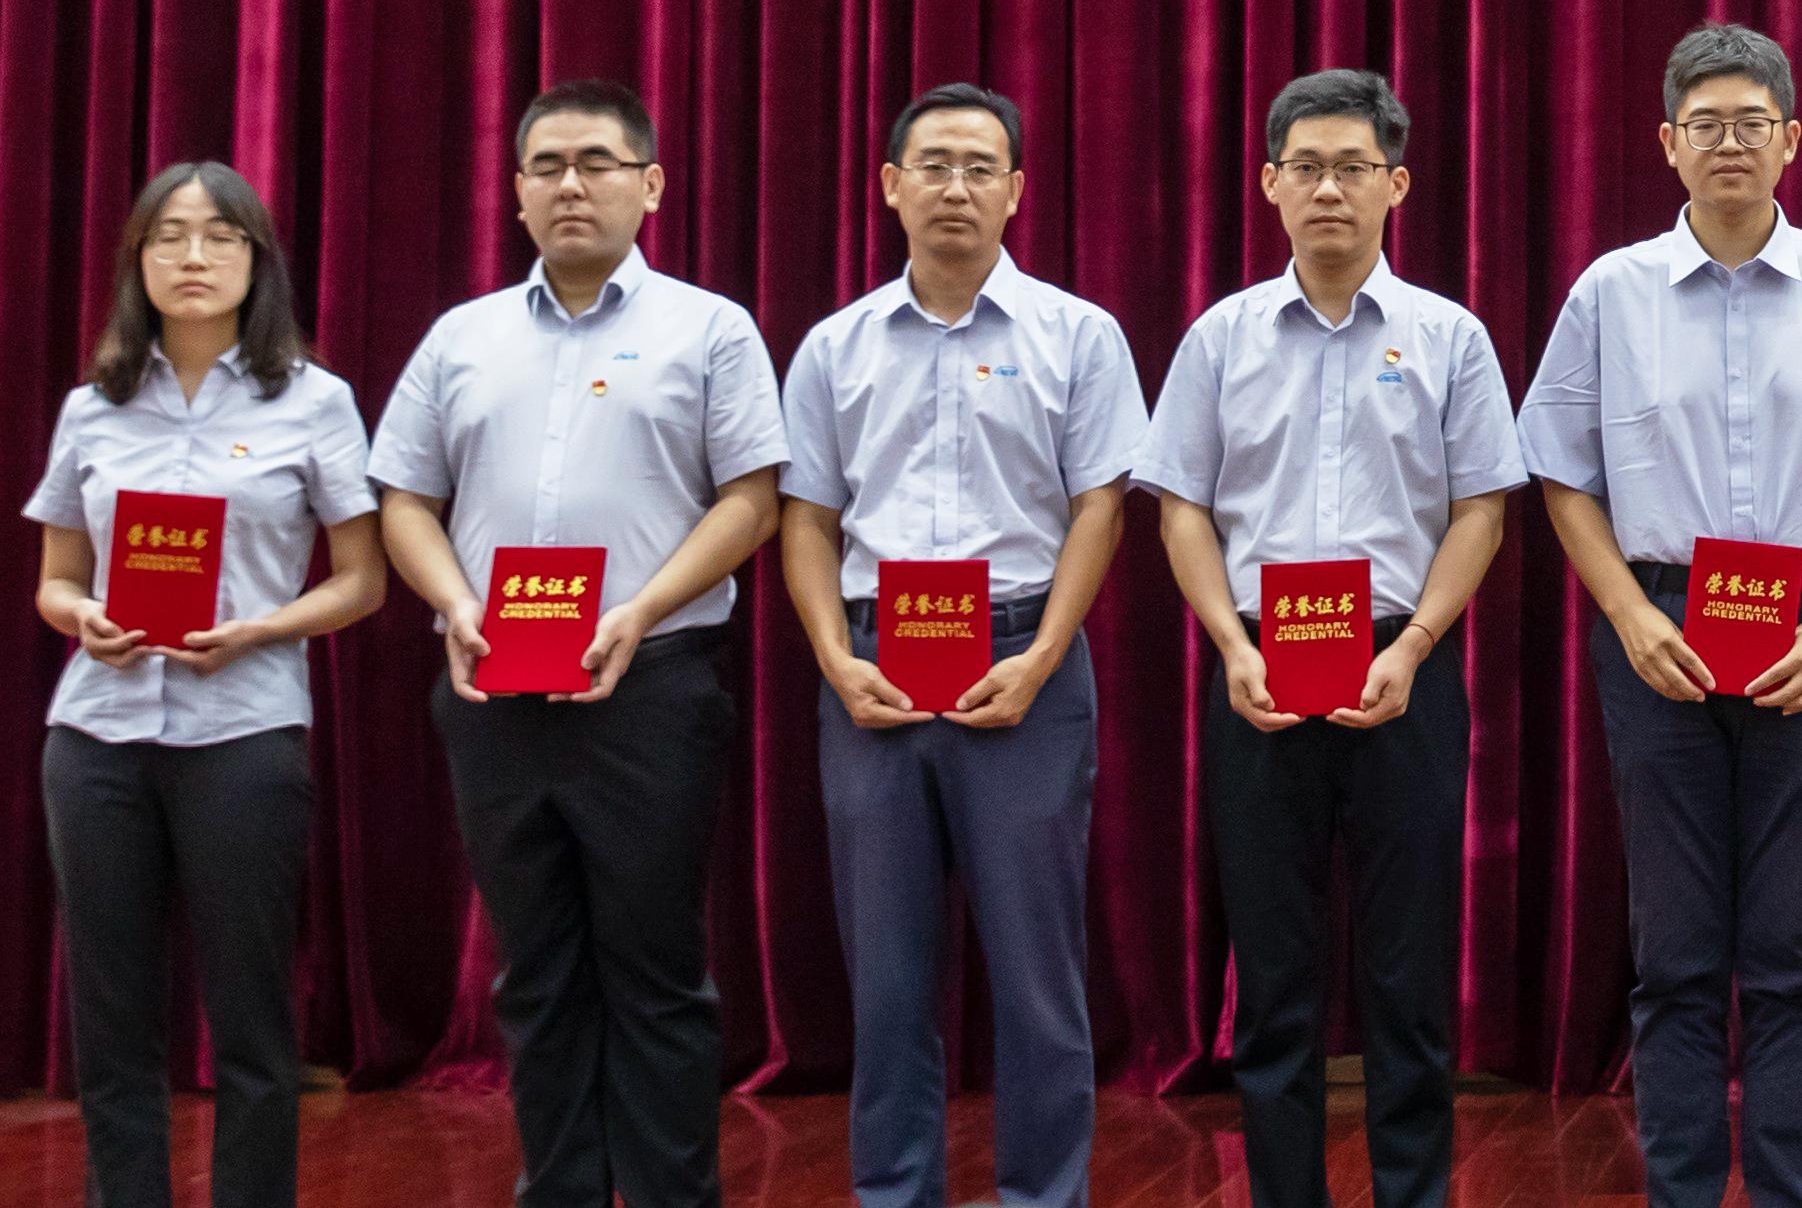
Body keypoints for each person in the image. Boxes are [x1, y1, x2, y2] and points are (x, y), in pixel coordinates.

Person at [1519, 22, 1802, 1208]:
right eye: (1702, 124)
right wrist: (1624, 612)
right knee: (1674, 952)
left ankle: (1792, 1191)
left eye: (1750, 122)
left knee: (1791, 950)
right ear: (1666, 142)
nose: (1727, 143)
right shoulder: (1610, 292)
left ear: (1790, 138)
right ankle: (1682, 1188)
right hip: (1656, 633)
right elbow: (1560, 473)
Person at [372, 79, 786, 1208]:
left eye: (597, 162)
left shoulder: (709, 327)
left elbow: (751, 499)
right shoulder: (462, 337)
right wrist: (454, 601)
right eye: (546, 165)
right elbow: (403, 497)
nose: (571, 184)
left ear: (650, 185)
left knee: (655, 973)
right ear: (515, 192)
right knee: (537, 975)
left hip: (649, 688)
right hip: (492, 689)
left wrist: (638, 610)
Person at [1138, 66, 1517, 1208]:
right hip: (1256, 665)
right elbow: (1181, 506)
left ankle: (1414, 1193)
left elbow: (1481, 509)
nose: (1329, 189)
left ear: (1396, 183)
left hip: (1404, 665)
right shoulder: (1220, 337)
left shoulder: (1449, 336)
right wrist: (1228, 643)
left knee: (1407, 976)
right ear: (1269, 183)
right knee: (1274, 977)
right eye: (1305, 166)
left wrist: (1415, 645)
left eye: (1353, 166)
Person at [775, 84, 1144, 1208]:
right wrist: (835, 659)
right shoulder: (835, 346)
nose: (956, 186)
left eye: (981, 166)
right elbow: (807, 519)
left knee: (1037, 976)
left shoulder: (1078, 334)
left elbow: (1099, 506)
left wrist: (1043, 656)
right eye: (932, 164)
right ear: (890, 184)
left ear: (1017, 190)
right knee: (886, 982)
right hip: (873, 669)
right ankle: (894, 1191)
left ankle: (1044, 1194)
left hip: (1025, 660)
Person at [28, 162, 385, 1208]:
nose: (193, 256)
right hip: (96, 738)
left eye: (220, 236)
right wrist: (82, 617)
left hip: (244, 732)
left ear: (256, 259)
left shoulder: (315, 399)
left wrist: (261, 627)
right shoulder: (93, 405)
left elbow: (362, 580)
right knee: (111, 1020)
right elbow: (55, 579)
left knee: (250, 1021)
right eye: (169, 236)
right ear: (137, 260)